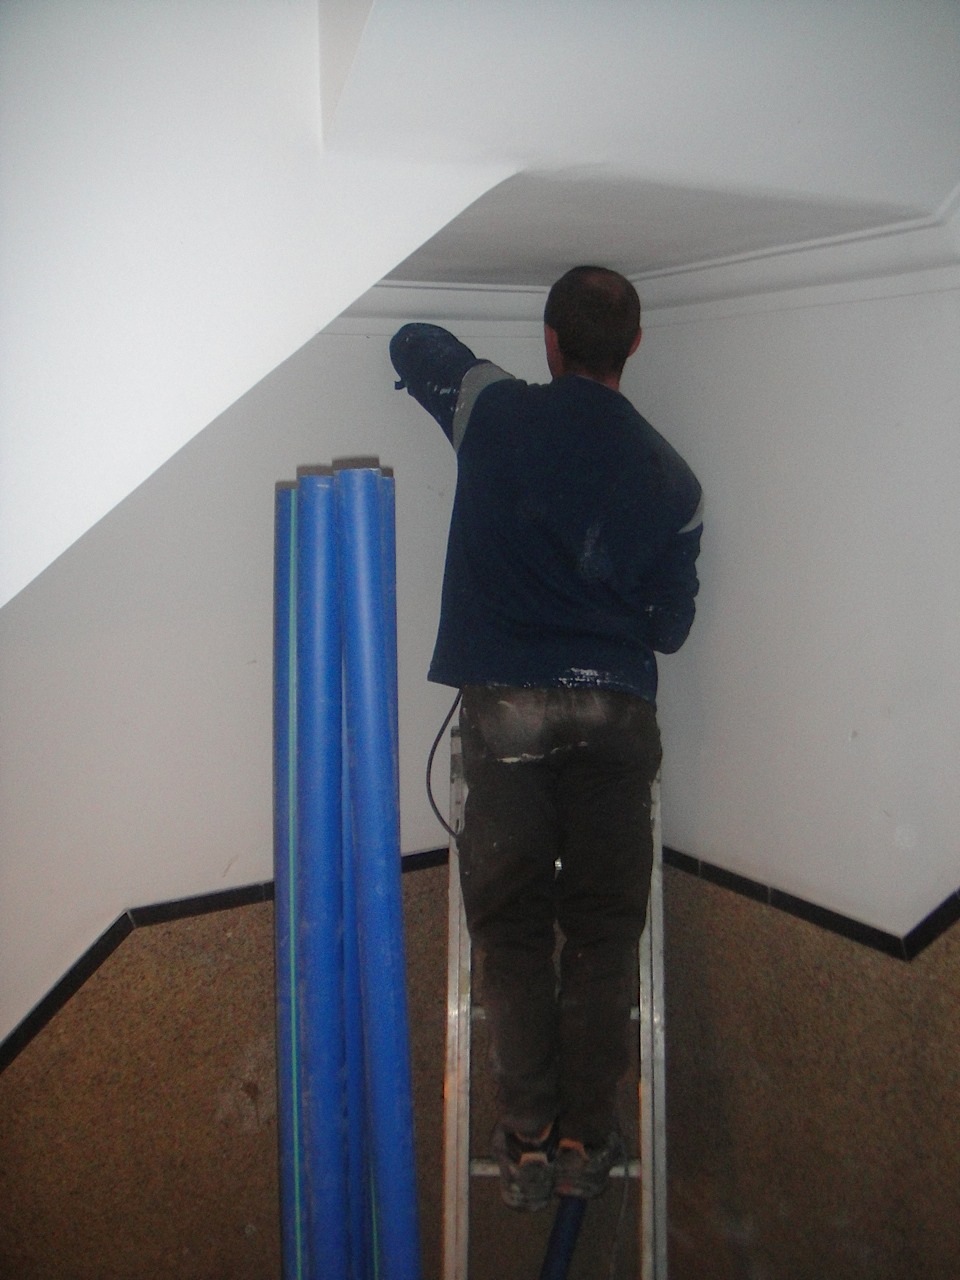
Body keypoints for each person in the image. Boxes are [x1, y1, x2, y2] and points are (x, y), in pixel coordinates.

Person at [390, 266, 702, 1211]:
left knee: (514, 929)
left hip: (510, 717)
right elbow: (670, 629)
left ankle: (526, 1133)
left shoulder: (495, 411)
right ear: (634, 346)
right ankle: (584, 1137)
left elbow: (413, 344)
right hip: (615, 715)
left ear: (550, 340)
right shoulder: (674, 479)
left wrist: (479, 374)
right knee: (604, 932)